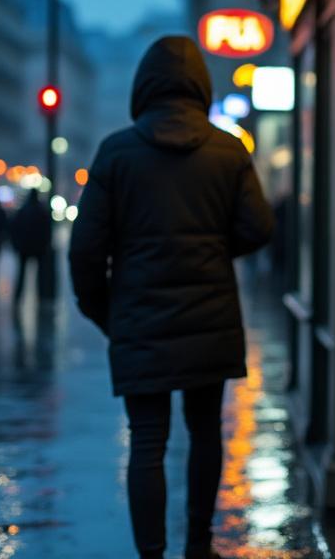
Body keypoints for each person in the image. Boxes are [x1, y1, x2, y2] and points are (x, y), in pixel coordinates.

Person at [69, 35, 273, 559]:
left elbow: (86, 251)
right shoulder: (228, 149)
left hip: (137, 315)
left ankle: (152, 553)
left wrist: (106, 312)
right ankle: (199, 544)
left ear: (144, 87)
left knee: (147, 440)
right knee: (205, 433)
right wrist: (214, 247)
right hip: (210, 315)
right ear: (200, 86)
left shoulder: (117, 152)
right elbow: (259, 227)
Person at [10, 189, 51, 304]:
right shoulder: (42, 211)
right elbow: (47, 231)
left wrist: (16, 244)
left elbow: (14, 228)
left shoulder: (22, 211)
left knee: (21, 273)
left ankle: (18, 296)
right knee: (40, 275)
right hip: (38, 247)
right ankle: (41, 296)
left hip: (24, 247)